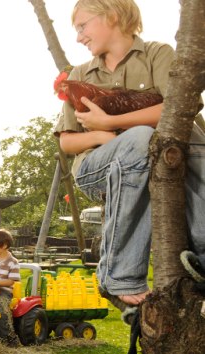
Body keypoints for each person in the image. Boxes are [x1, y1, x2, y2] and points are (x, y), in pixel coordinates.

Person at [55, 0, 205, 309]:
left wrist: (110, 120)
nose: (79, 37)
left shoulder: (157, 54)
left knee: (190, 136)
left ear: (111, 14)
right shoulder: (82, 73)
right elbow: (67, 143)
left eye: (82, 26)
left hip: (167, 160)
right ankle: (120, 274)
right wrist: (102, 134)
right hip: (98, 168)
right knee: (141, 137)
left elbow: (178, 108)